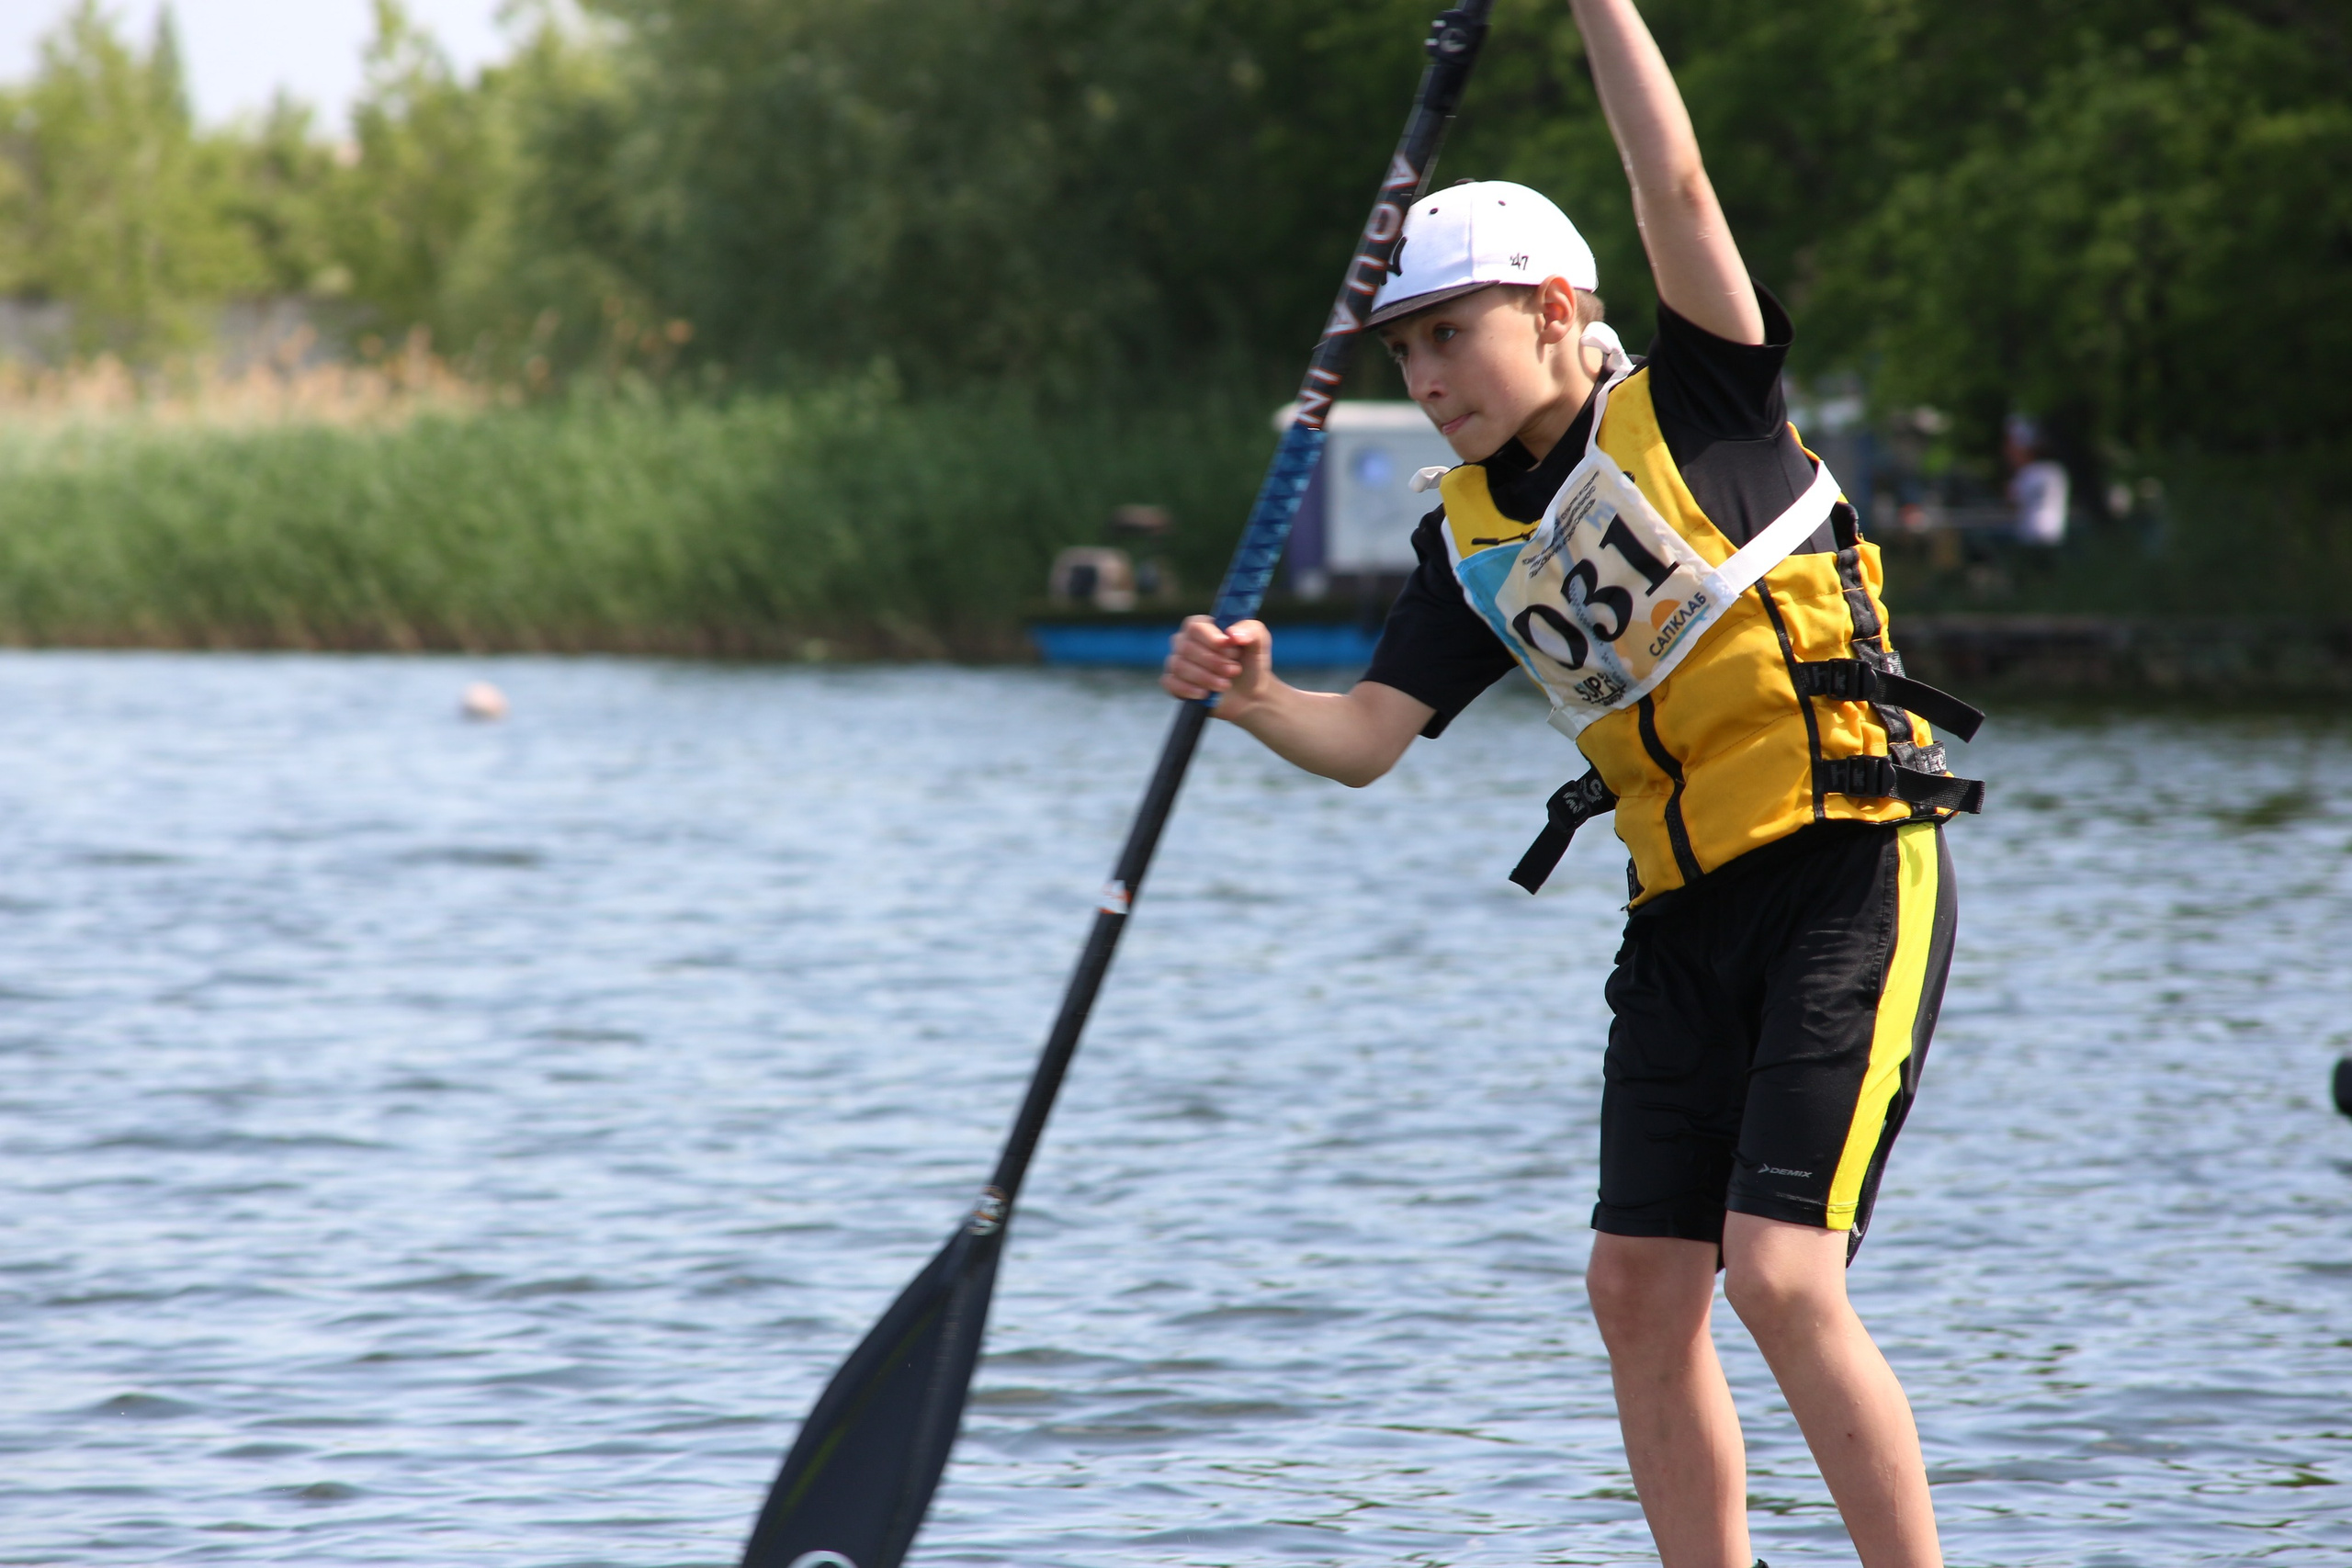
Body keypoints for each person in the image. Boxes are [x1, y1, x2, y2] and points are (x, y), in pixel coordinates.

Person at [1161, 3, 1984, 1564]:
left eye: (1450, 334)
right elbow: (1364, 741)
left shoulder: (1705, 401)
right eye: (1405, 348)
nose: (1428, 373)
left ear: (1553, 310)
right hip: (1681, 921)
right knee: (1637, 1291)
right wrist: (1254, 694)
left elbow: (1670, 177)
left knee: (1782, 1274)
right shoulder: (1463, 540)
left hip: (1845, 864)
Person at [2004, 414, 2070, 546]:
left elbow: (2011, 502)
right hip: (2056, 536)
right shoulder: (2056, 471)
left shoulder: (2027, 474)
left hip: (2031, 538)